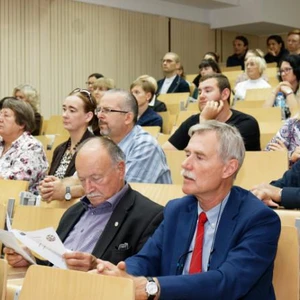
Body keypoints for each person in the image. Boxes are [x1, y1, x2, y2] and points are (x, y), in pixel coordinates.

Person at [95, 121, 281, 300]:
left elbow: (227, 282)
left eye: (199, 157)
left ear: (228, 168)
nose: (185, 165)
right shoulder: (177, 209)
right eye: (187, 154)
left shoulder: (259, 219)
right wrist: (118, 273)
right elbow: (146, 259)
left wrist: (152, 287)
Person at [4, 137, 163, 270]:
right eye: (82, 180)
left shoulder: (149, 216)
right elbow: (56, 265)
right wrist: (31, 260)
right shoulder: (73, 212)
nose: (88, 188)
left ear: (120, 169)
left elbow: (141, 277)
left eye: (96, 178)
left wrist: (96, 267)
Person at [39, 89, 171, 202]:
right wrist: (54, 186)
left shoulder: (144, 146)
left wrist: (67, 192)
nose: (99, 116)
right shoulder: (102, 144)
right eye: (99, 110)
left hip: (140, 224)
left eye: (107, 110)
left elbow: (121, 192)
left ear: (128, 118)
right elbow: (78, 178)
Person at [162, 74, 261, 151]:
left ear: (225, 94)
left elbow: (216, 157)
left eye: (208, 91)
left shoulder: (246, 123)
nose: (201, 96)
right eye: (200, 92)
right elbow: (167, 151)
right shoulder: (192, 121)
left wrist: (205, 122)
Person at [44, 88, 97, 180]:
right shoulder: (59, 149)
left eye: (72, 111)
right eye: (64, 109)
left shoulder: (95, 148)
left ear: (88, 116)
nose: (65, 115)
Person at [0, 97, 48, 193]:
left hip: (21, 204)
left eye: (6, 115)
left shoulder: (32, 147)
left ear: (21, 124)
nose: (0, 119)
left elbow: (14, 184)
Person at [263, 54, 300, 119]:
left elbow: (295, 116)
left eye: (287, 69)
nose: (283, 74)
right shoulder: (279, 90)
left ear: (296, 69)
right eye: (281, 71)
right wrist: (275, 92)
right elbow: (264, 114)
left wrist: (289, 93)